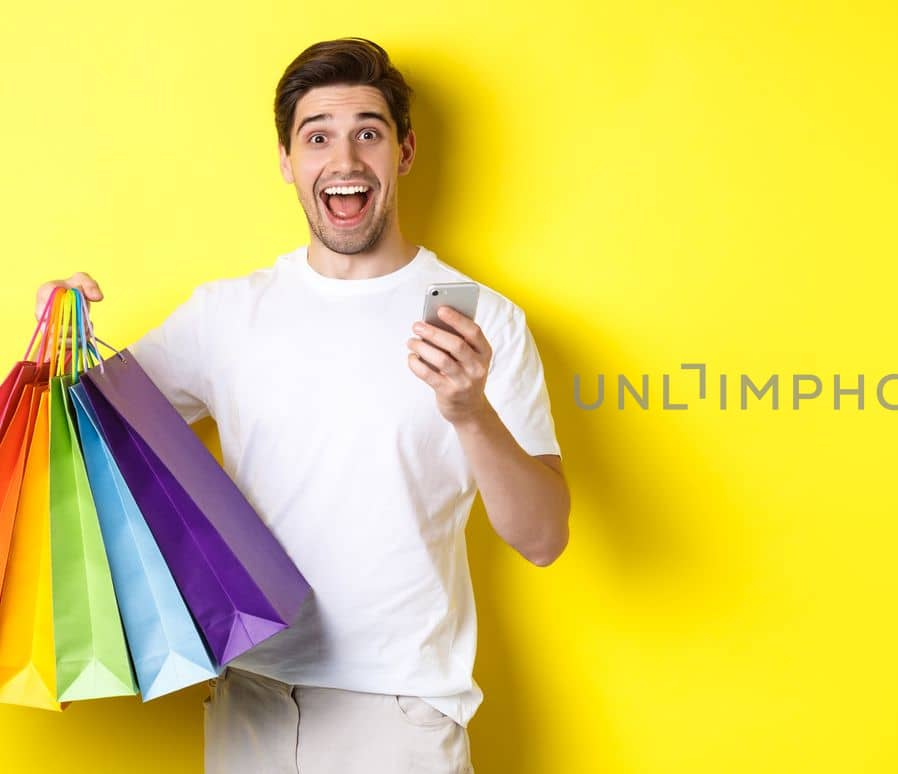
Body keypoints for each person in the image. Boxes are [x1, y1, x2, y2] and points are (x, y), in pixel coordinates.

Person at [35, 37, 570, 773]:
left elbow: (542, 538)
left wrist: (470, 411)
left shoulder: (485, 325)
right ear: (287, 161)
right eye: (318, 136)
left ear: (404, 152)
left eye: (368, 134)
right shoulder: (226, 315)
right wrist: (60, 339)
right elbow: (82, 440)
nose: (344, 160)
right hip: (249, 701)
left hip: (401, 714)